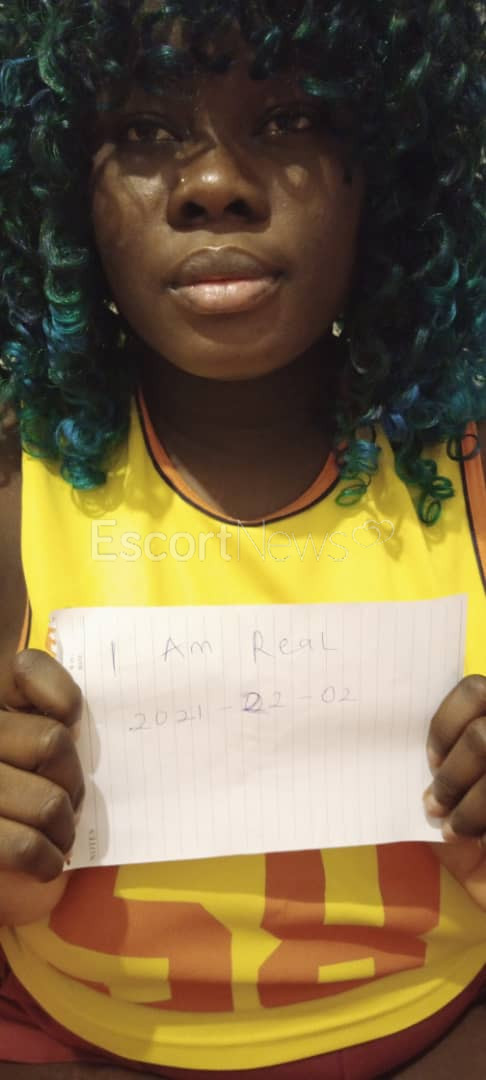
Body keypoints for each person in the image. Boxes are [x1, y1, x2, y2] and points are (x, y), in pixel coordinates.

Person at [0, 1, 485, 1077]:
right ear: (63, 188)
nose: (215, 182)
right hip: (67, 1034)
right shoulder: (13, 485)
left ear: (389, 171)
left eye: (292, 119)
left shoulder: (467, 471)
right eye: (145, 131)